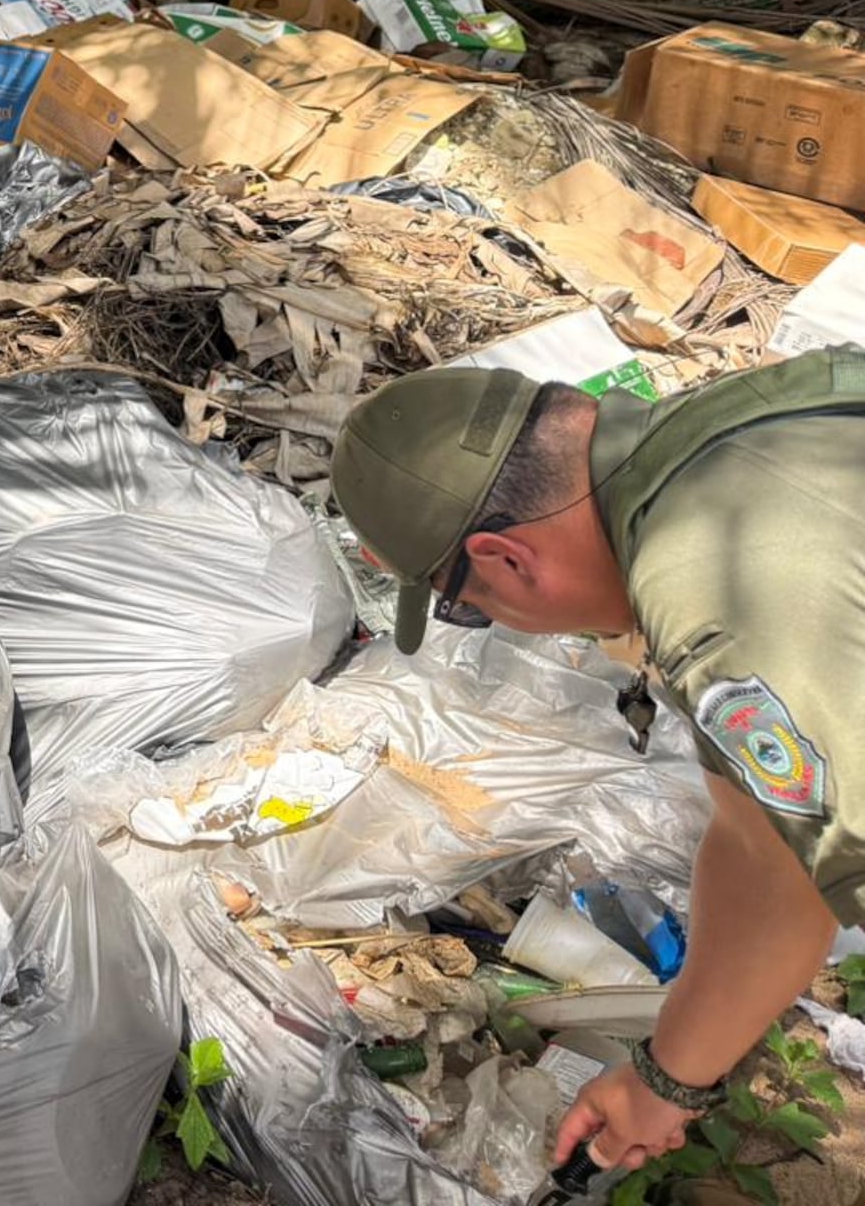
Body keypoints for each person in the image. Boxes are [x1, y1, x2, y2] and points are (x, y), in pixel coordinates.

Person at [332, 349, 865, 1176]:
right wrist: (667, 1080)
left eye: (469, 609)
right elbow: (766, 854)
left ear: (507, 560)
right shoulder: (741, 418)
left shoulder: (715, 606)